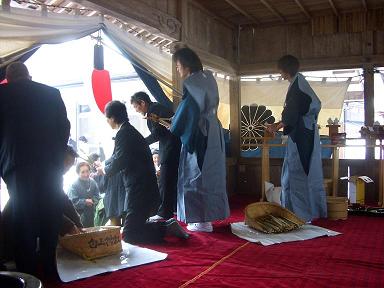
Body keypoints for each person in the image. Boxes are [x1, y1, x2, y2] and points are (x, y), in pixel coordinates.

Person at [0, 62, 70, 276]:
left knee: (23, 216)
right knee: (50, 212)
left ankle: (28, 273)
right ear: (29, 76)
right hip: (50, 164)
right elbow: (64, 129)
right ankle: (49, 267)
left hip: (17, 163)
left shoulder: (3, 94)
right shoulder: (51, 93)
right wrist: (56, 155)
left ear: (8, 78)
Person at [103, 100, 189, 243]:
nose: (107, 121)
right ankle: (167, 226)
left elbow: (120, 160)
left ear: (112, 118)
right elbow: (118, 156)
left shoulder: (124, 134)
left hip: (139, 190)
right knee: (133, 228)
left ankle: (166, 229)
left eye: (107, 118)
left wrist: (105, 170)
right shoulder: (128, 131)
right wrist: (105, 165)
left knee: (130, 234)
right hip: (142, 188)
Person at [170, 47, 230, 232]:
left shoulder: (192, 83)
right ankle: (207, 219)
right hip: (213, 130)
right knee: (211, 174)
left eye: (178, 67)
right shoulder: (208, 78)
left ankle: (201, 220)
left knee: (196, 175)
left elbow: (188, 110)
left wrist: (174, 125)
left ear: (186, 66)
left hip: (200, 133)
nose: (179, 71)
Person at [266, 55, 327, 222]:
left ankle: (302, 214)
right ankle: (304, 211)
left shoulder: (297, 87)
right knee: (303, 172)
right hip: (306, 133)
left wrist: (275, 126)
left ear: (285, 70)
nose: (280, 74)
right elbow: (295, 111)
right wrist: (279, 124)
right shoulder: (300, 83)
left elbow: (292, 113)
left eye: (280, 70)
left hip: (301, 136)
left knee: (298, 173)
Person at [131, 92, 181, 221]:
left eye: (136, 107)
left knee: (165, 181)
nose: (136, 110)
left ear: (142, 102)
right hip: (172, 147)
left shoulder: (155, 111)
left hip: (170, 149)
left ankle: (165, 212)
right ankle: (174, 209)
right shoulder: (157, 108)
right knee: (171, 181)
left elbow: (157, 134)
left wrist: (140, 143)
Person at [89, 153, 126, 226]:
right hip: (124, 200)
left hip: (112, 202)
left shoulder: (106, 166)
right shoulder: (121, 162)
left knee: (115, 232)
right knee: (127, 229)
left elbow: (101, 188)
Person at [68, 162, 101, 227]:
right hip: (79, 218)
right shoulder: (74, 185)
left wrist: (93, 201)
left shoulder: (93, 182)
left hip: (92, 216)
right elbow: (72, 202)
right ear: (78, 173)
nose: (86, 174)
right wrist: (84, 202)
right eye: (83, 172)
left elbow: (97, 196)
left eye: (87, 171)